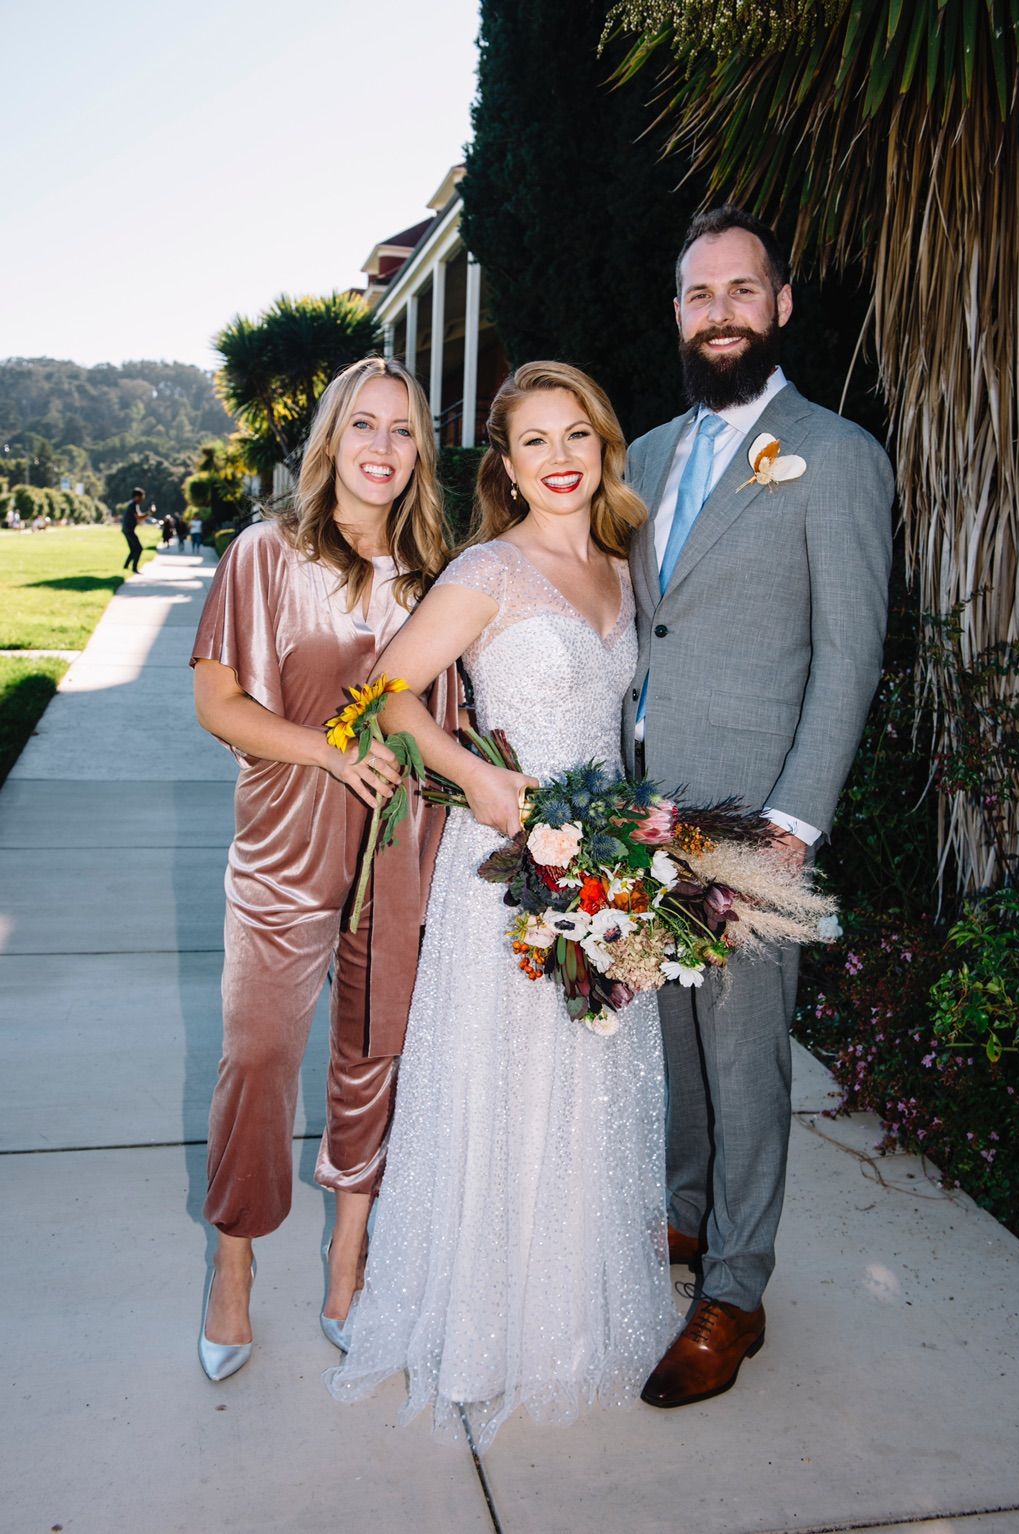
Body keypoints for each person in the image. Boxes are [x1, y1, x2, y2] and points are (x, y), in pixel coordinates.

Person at [326, 361, 679, 1450]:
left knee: (590, 1090)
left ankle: (571, 1309)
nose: (560, 458)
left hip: (604, 872)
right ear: (508, 467)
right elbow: (382, 696)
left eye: (576, 434)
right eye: (535, 442)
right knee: (501, 1087)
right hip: (500, 876)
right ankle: (478, 1325)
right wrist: (474, 776)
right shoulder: (488, 567)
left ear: (603, 445)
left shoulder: (626, 566)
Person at [624, 206, 893, 1409]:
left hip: (752, 829)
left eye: (742, 290)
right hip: (638, 821)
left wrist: (794, 821)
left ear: (779, 306)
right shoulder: (635, 460)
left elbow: (849, 652)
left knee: (742, 1059)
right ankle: (682, 1225)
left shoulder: (834, 456)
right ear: (676, 313)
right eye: (699, 294)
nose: (720, 312)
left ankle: (734, 1295)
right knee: (671, 1044)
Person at [190, 356, 455, 1382]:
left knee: (371, 1062)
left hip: (399, 854)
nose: (383, 449)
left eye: (403, 431)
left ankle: (348, 1266)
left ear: (418, 452)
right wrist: (330, 751)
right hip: (285, 848)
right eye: (365, 427)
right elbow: (218, 706)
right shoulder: (266, 554)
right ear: (332, 441)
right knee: (257, 1055)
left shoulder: (438, 575)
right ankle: (234, 1259)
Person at [121, 488, 145, 572]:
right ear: (137, 497)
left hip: (127, 530)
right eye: (141, 496)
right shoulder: (133, 505)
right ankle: (134, 568)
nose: (143, 498)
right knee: (139, 548)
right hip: (128, 530)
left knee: (133, 549)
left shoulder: (134, 505)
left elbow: (139, 517)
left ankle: (126, 566)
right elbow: (138, 517)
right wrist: (149, 513)